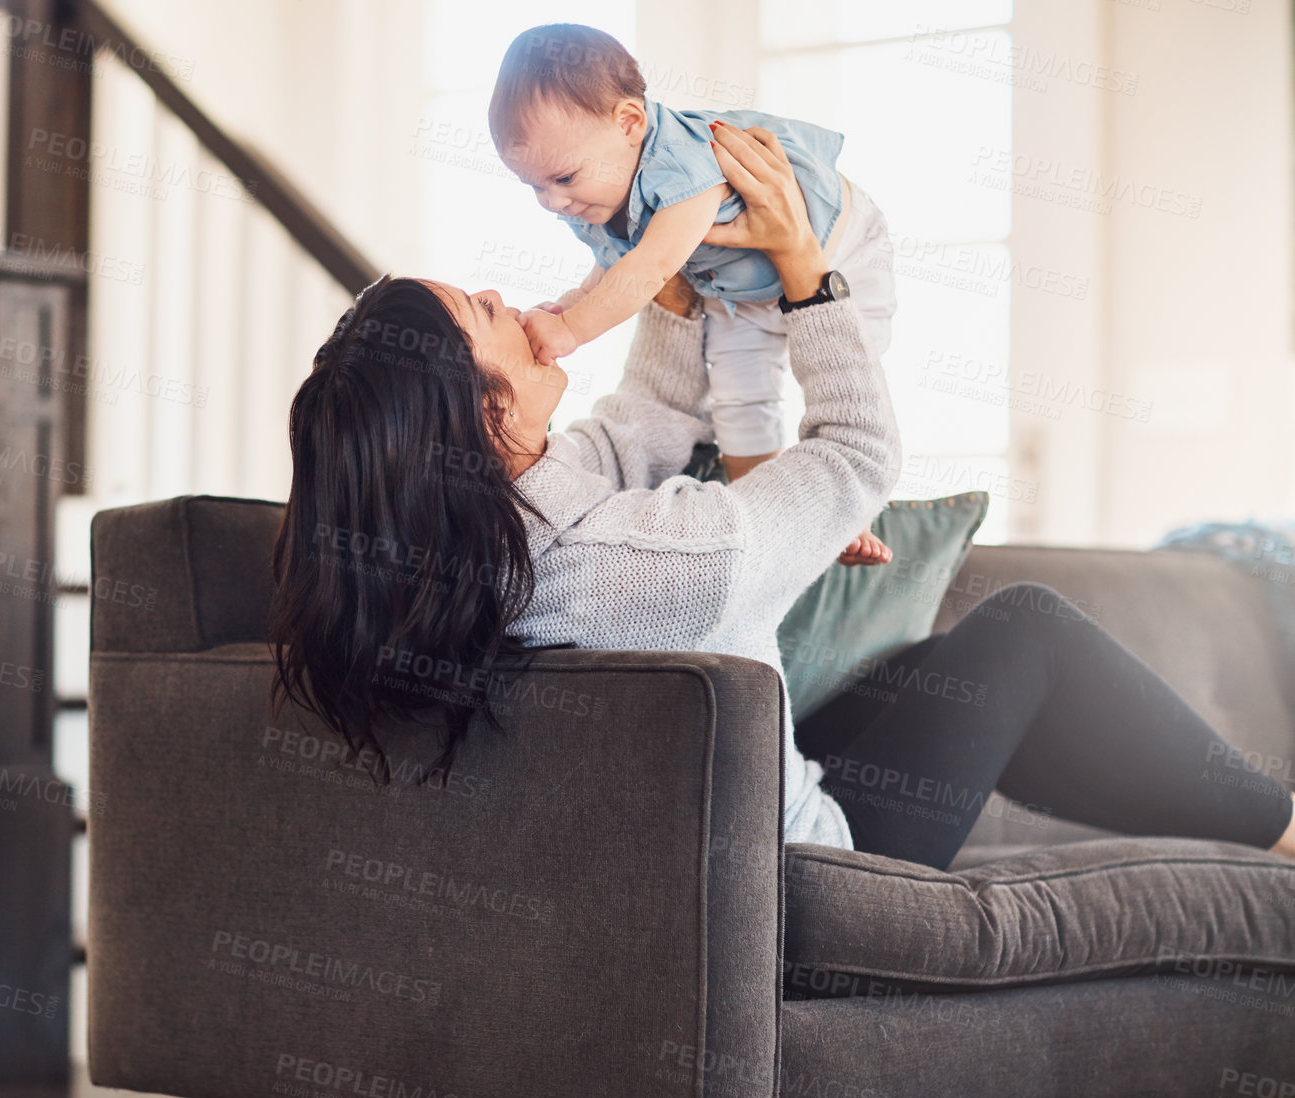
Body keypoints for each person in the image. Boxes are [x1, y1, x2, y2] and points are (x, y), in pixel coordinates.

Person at [269, 120, 1295, 871]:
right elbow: (853, 456)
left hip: (738, 816)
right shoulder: (651, 562)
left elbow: (644, 423)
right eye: (483, 312)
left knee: (939, 678)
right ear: (487, 415)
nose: (509, 296)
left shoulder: (499, 534)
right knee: (1022, 631)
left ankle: (1245, 835)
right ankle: (1281, 833)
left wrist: (683, 272)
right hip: (817, 868)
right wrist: (807, 277)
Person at [489, 23, 894, 564]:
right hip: (735, 286)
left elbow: (653, 264)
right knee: (739, 394)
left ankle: (852, 507)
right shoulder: (598, 192)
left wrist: (571, 328)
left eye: (562, 178)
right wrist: (574, 301)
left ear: (629, 121)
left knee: (853, 356)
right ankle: (771, 532)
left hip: (840, 246)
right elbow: (614, 263)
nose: (550, 202)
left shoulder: (681, 160)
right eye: (533, 186)